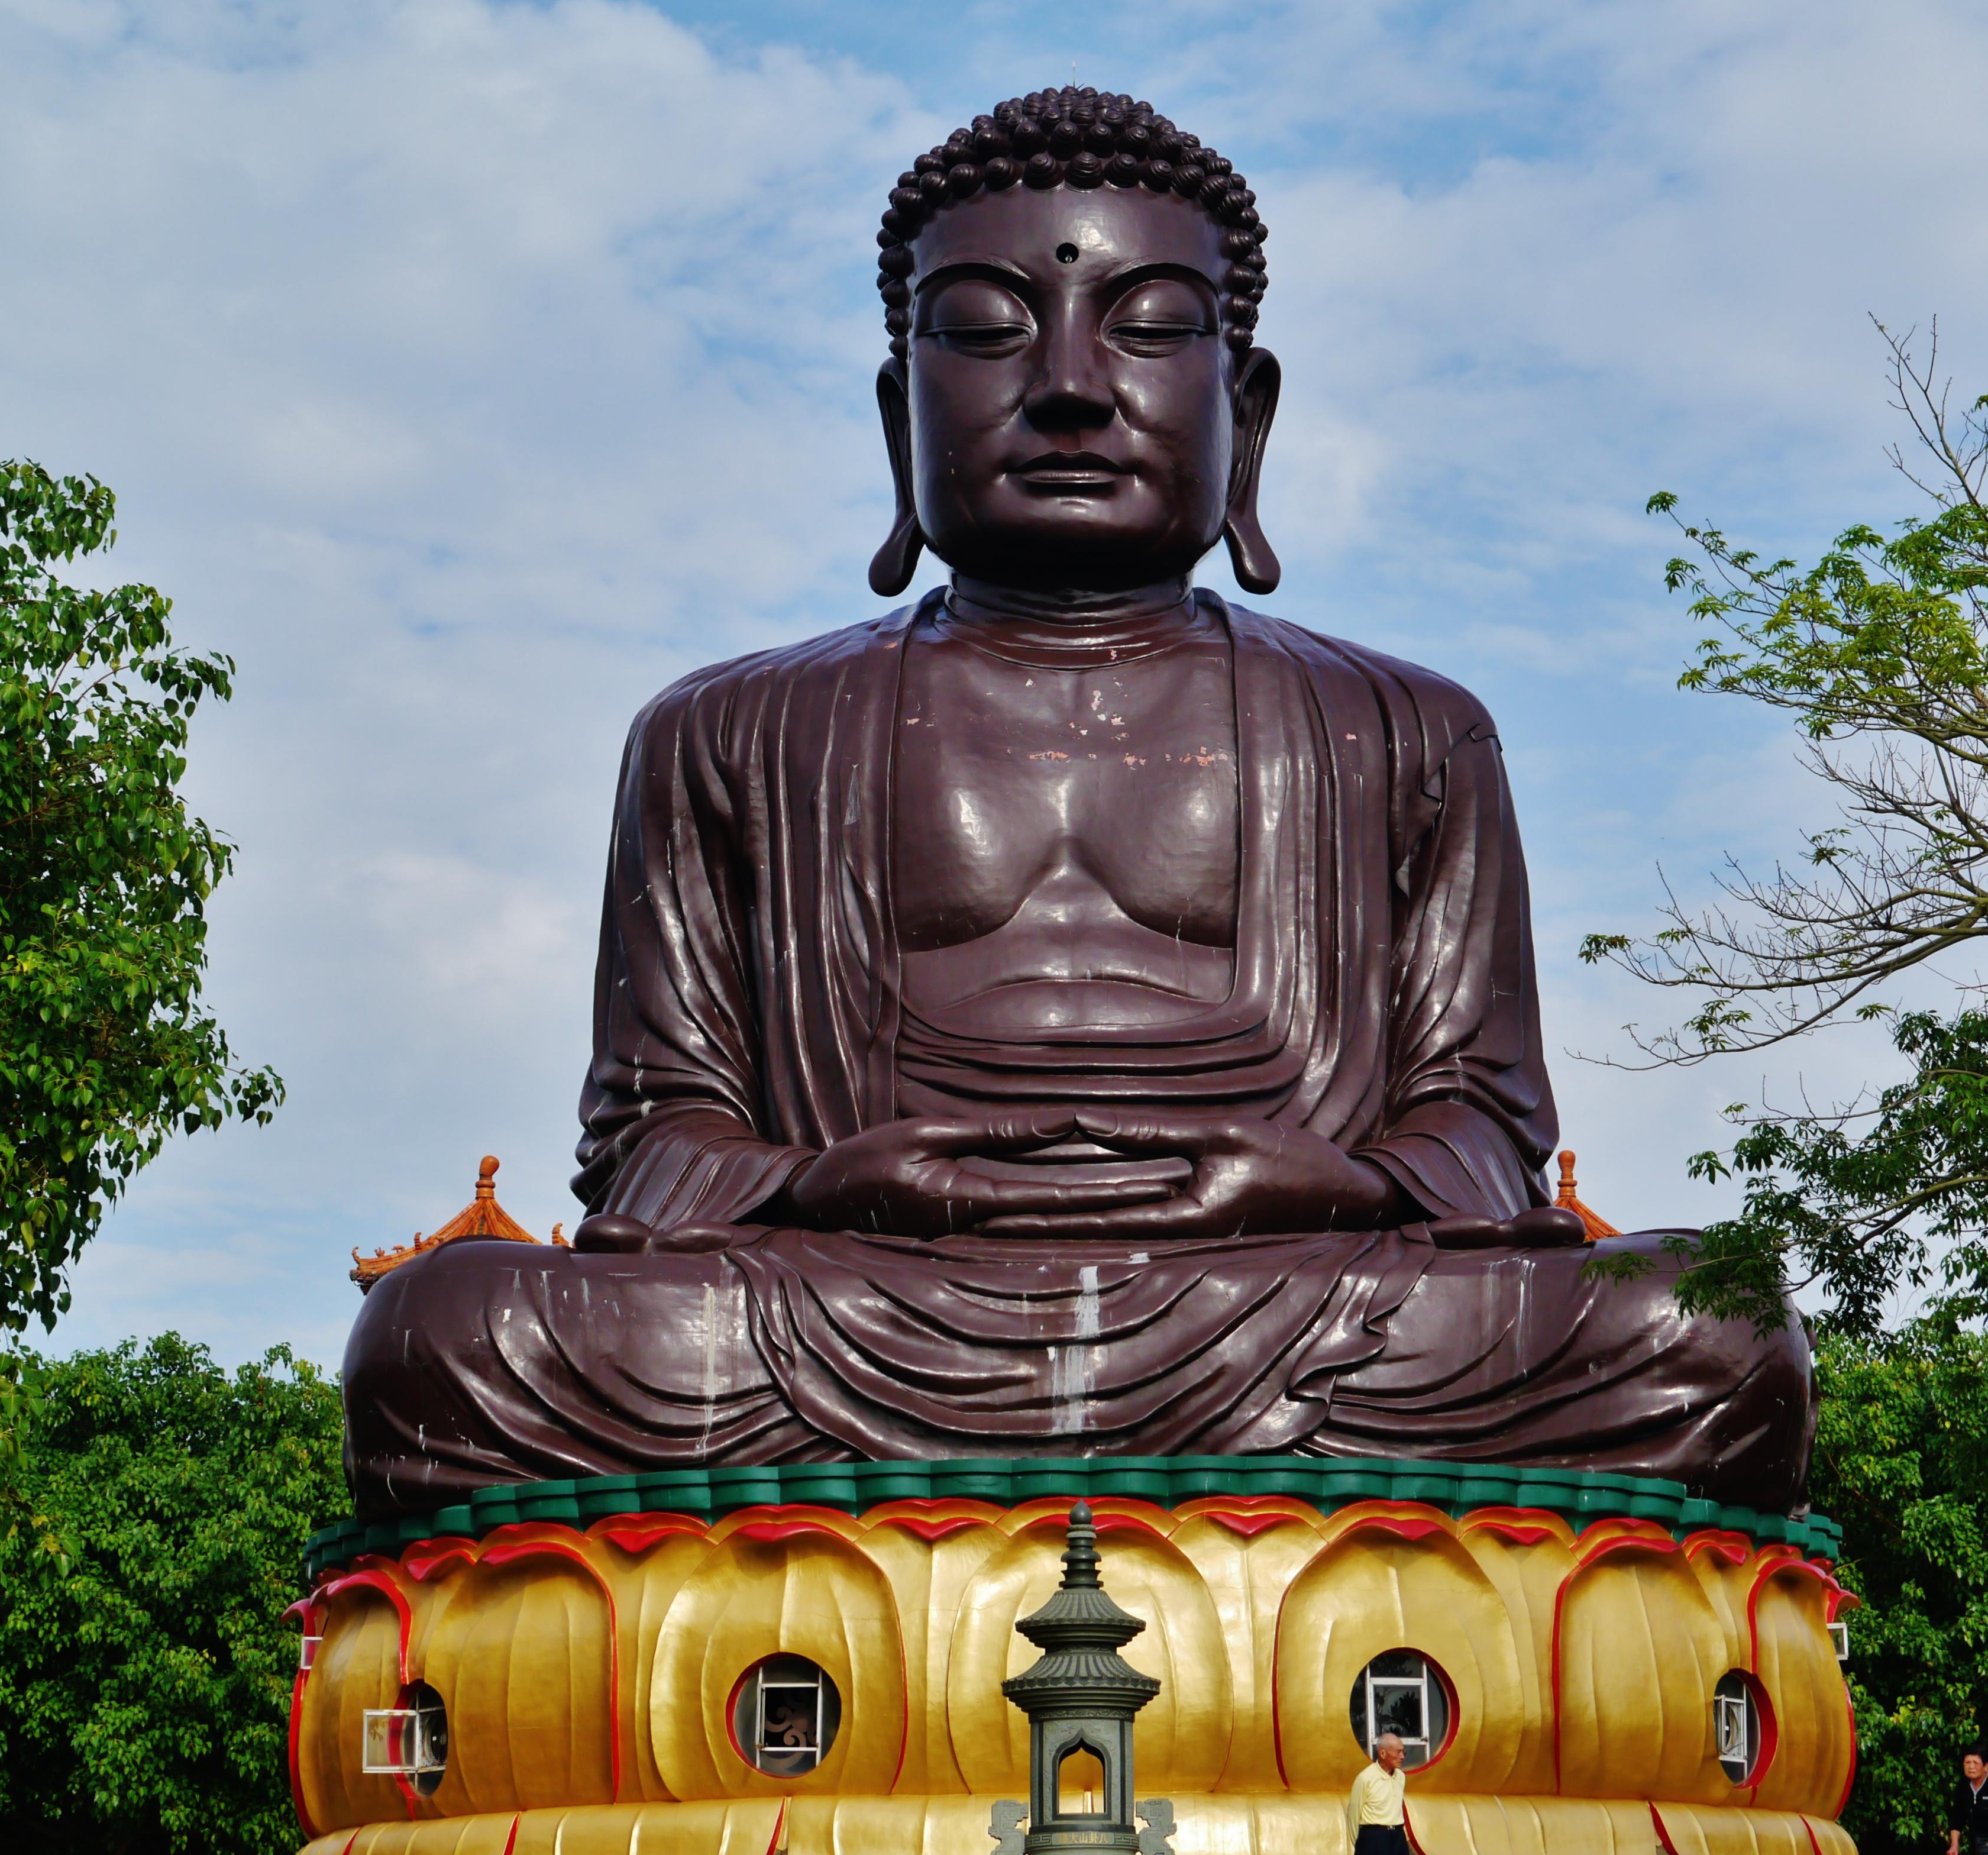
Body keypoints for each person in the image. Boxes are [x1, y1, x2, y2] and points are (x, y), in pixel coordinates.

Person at [337, 85, 1816, 1517]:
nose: (1066, 386)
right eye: (984, 330)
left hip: (1292, 1302)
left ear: (1246, 410)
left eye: (1152, 328)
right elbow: (652, 1145)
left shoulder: (1405, 731)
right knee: (444, 1339)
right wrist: (831, 1181)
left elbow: (1482, 1130)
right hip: (861, 1307)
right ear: (893, 415)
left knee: (1705, 1325)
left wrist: (1312, 1183)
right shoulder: (728, 732)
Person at [1345, 1730, 1408, 1855]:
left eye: (1403, 1752)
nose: (1402, 1757)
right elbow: (1353, 1814)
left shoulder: (1401, 1777)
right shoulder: (1366, 1778)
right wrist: (1361, 1843)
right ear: (1383, 1753)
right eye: (1398, 1752)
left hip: (1397, 1838)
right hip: (1373, 1838)